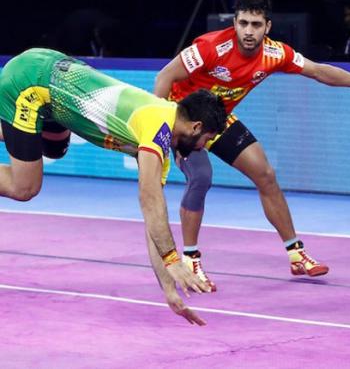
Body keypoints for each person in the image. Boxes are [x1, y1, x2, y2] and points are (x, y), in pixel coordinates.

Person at [154, 0, 350, 290]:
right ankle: (190, 260)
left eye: (256, 24)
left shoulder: (276, 54)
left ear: (268, 26)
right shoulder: (210, 47)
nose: (248, 31)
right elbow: (164, 77)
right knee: (201, 177)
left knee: (265, 174)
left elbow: (318, 71)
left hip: (219, 119)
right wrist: (162, 130)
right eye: (243, 23)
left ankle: (296, 254)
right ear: (234, 23)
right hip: (185, 120)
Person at [0, 48, 228, 324]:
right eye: (207, 139)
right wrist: (172, 259)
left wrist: (169, 291)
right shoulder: (158, 127)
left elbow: (153, 221)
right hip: (32, 82)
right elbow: (150, 199)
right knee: (24, 187)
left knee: (55, 149)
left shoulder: (162, 135)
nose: (203, 146)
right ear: (195, 127)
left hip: (52, 75)